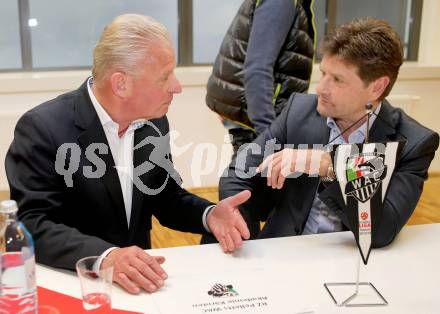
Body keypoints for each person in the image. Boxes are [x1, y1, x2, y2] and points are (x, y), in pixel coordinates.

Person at [5, 14, 251, 295]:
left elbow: (164, 195)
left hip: (140, 285)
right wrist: (107, 256)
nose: (177, 86)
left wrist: (209, 215)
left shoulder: (154, 123)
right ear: (120, 84)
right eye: (164, 77)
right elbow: (34, 224)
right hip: (75, 285)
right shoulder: (43, 129)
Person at [219, 18, 439, 247]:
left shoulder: (412, 143)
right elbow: (239, 170)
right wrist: (236, 219)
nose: (320, 88)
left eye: (337, 80)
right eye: (323, 73)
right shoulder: (298, 110)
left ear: (377, 87)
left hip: (353, 266)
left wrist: (331, 166)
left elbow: (380, 232)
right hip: (283, 254)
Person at [203, 0, 315, 243]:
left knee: (247, 201)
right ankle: (234, 269)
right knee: (244, 201)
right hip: (260, 121)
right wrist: (270, 134)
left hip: (255, 117)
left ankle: (237, 264)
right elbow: (257, 69)